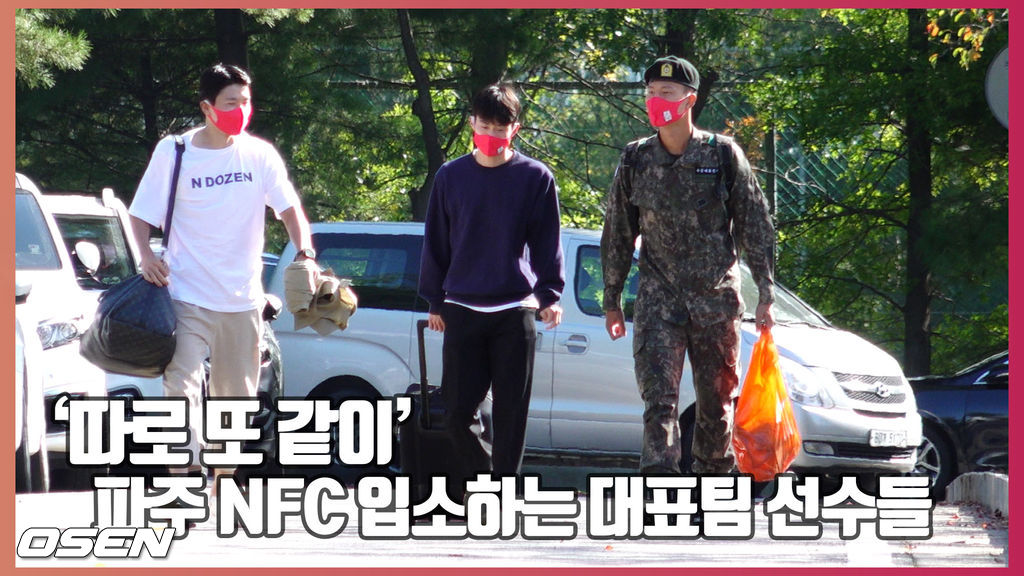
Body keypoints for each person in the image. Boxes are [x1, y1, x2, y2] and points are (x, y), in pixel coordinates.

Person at [129, 63, 315, 490]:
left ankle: (222, 481)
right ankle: (184, 480)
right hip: (185, 295)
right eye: (231, 103)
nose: (241, 110)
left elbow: (290, 211)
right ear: (207, 107)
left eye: (246, 102)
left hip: (242, 301)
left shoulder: (259, 155)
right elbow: (140, 214)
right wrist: (145, 256)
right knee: (180, 388)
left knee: (236, 404)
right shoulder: (175, 151)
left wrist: (305, 253)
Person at [601, 56, 776, 477]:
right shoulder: (636, 159)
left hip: (715, 302)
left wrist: (766, 294)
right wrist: (611, 299)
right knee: (658, 402)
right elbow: (618, 232)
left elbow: (755, 225)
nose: (656, 100)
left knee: (715, 406)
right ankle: (661, 488)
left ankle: (713, 485)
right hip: (658, 302)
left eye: (667, 93)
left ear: (689, 100)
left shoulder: (722, 154)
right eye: (650, 93)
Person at [418, 83, 565, 490]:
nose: (492, 136)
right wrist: (434, 301)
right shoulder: (451, 176)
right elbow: (437, 241)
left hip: (514, 311)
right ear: (472, 124)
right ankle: (485, 480)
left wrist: (549, 295)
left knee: (511, 415)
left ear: (514, 129)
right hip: (462, 309)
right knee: (456, 413)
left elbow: (547, 242)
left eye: (501, 129)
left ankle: (502, 495)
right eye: (485, 126)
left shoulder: (535, 177)